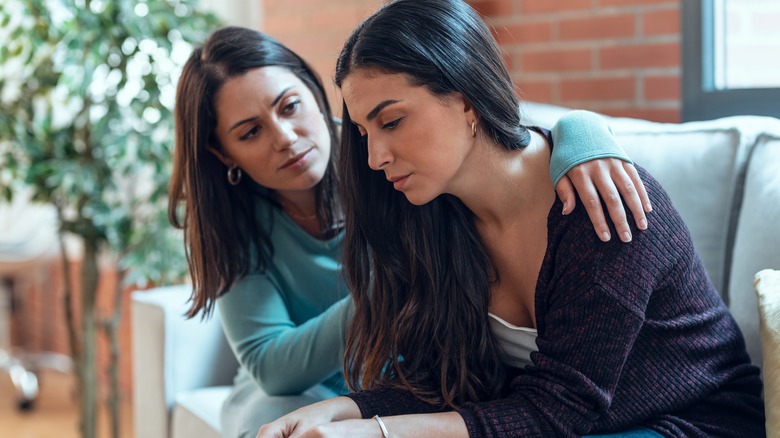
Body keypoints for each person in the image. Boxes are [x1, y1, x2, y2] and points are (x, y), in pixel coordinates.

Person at [254, 1, 766, 437]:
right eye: (365, 132)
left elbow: (560, 408)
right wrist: (344, 410)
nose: (375, 157)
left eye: (392, 121)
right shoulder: (437, 218)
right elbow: (442, 385)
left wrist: (380, 431)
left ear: (466, 99)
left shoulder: (599, 206)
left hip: (690, 421)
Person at [168, 26, 652, 438]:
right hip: (325, 383)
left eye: (290, 106)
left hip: (407, 369)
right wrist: (395, 282)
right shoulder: (238, 223)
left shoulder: (394, 164)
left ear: (315, 96)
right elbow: (274, 369)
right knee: (270, 416)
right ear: (223, 154)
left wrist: (585, 135)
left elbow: (501, 140)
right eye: (250, 132)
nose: (286, 138)